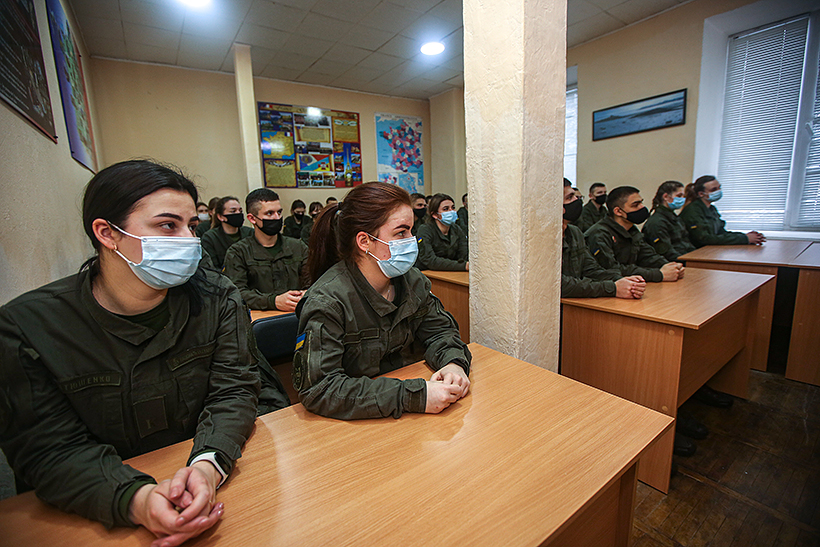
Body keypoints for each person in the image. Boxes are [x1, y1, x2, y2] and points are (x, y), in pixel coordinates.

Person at [0, 160, 288, 544]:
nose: (188, 240)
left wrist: (208, 466)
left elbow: (234, 391)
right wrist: (136, 499)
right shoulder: (28, 328)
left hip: (203, 474)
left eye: (192, 226)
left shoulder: (217, 298)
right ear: (107, 233)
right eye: (168, 226)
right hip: (97, 504)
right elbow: (49, 449)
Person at [293, 182, 471, 420]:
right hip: (361, 421)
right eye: (401, 233)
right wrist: (412, 396)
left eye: (411, 230)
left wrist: (453, 364)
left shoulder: (412, 281)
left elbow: (440, 332)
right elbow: (321, 388)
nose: (412, 240)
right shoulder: (328, 300)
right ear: (364, 241)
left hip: (412, 412)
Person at [224, 189, 308, 312]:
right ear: (252, 218)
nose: (277, 217)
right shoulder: (238, 252)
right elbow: (237, 292)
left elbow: (314, 281)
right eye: (269, 213)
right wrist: (273, 301)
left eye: (279, 212)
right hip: (261, 318)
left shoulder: (298, 247)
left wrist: (306, 293)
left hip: (297, 314)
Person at [560, 179, 646, 298]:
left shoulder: (575, 233)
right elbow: (560, 284)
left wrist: (623, 281)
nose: (577, 200)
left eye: (576, 196)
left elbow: (591, 269)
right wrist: (612, 288)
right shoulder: (543, 239)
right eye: (570, 198)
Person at [585, 186, 685, 283]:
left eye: (641, 202)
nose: (642, 207)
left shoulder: (631, 229)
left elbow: (647, 255)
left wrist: (669, 266)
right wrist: (658, 274)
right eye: (635, 205)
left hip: (631, 283)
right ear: (618, 211)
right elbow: (611, 269)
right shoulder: (599, 234)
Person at [679, 175, 765, 247]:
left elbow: (721, 233)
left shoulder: (711, 209)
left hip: (709, 250)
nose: (718, 191)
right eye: (713, 189)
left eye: (719, 188)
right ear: (701, 194)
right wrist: (744, 239)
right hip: (695, 252)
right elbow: (704, 239)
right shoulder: (692, 210)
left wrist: (746, 236)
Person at [642, 181, 696, 261]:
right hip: (672, 263)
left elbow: (686, 243)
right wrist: (688, 261)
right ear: (666, 196)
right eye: (679, 196)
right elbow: (666, 253)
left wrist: (695, 256)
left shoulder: (675, 218)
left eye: (683, 196)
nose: (682, 199)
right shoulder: (657, 222)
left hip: (684, 258)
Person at [415, 193, 469, 271]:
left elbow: (464, 254)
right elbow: (429, 259)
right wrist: (463, 266)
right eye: (445, 209)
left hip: (452, 272)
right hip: (428, 273)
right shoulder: (425, 230)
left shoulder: (456, 229)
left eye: (453, 207)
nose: (451, 211)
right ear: (435, 215)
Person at [200, 196, 253, 270]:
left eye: (240, 211)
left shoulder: (250, 233)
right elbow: (211, 267)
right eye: (233, 211)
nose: (238, 213)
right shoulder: (210, 238)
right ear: (221, 217)